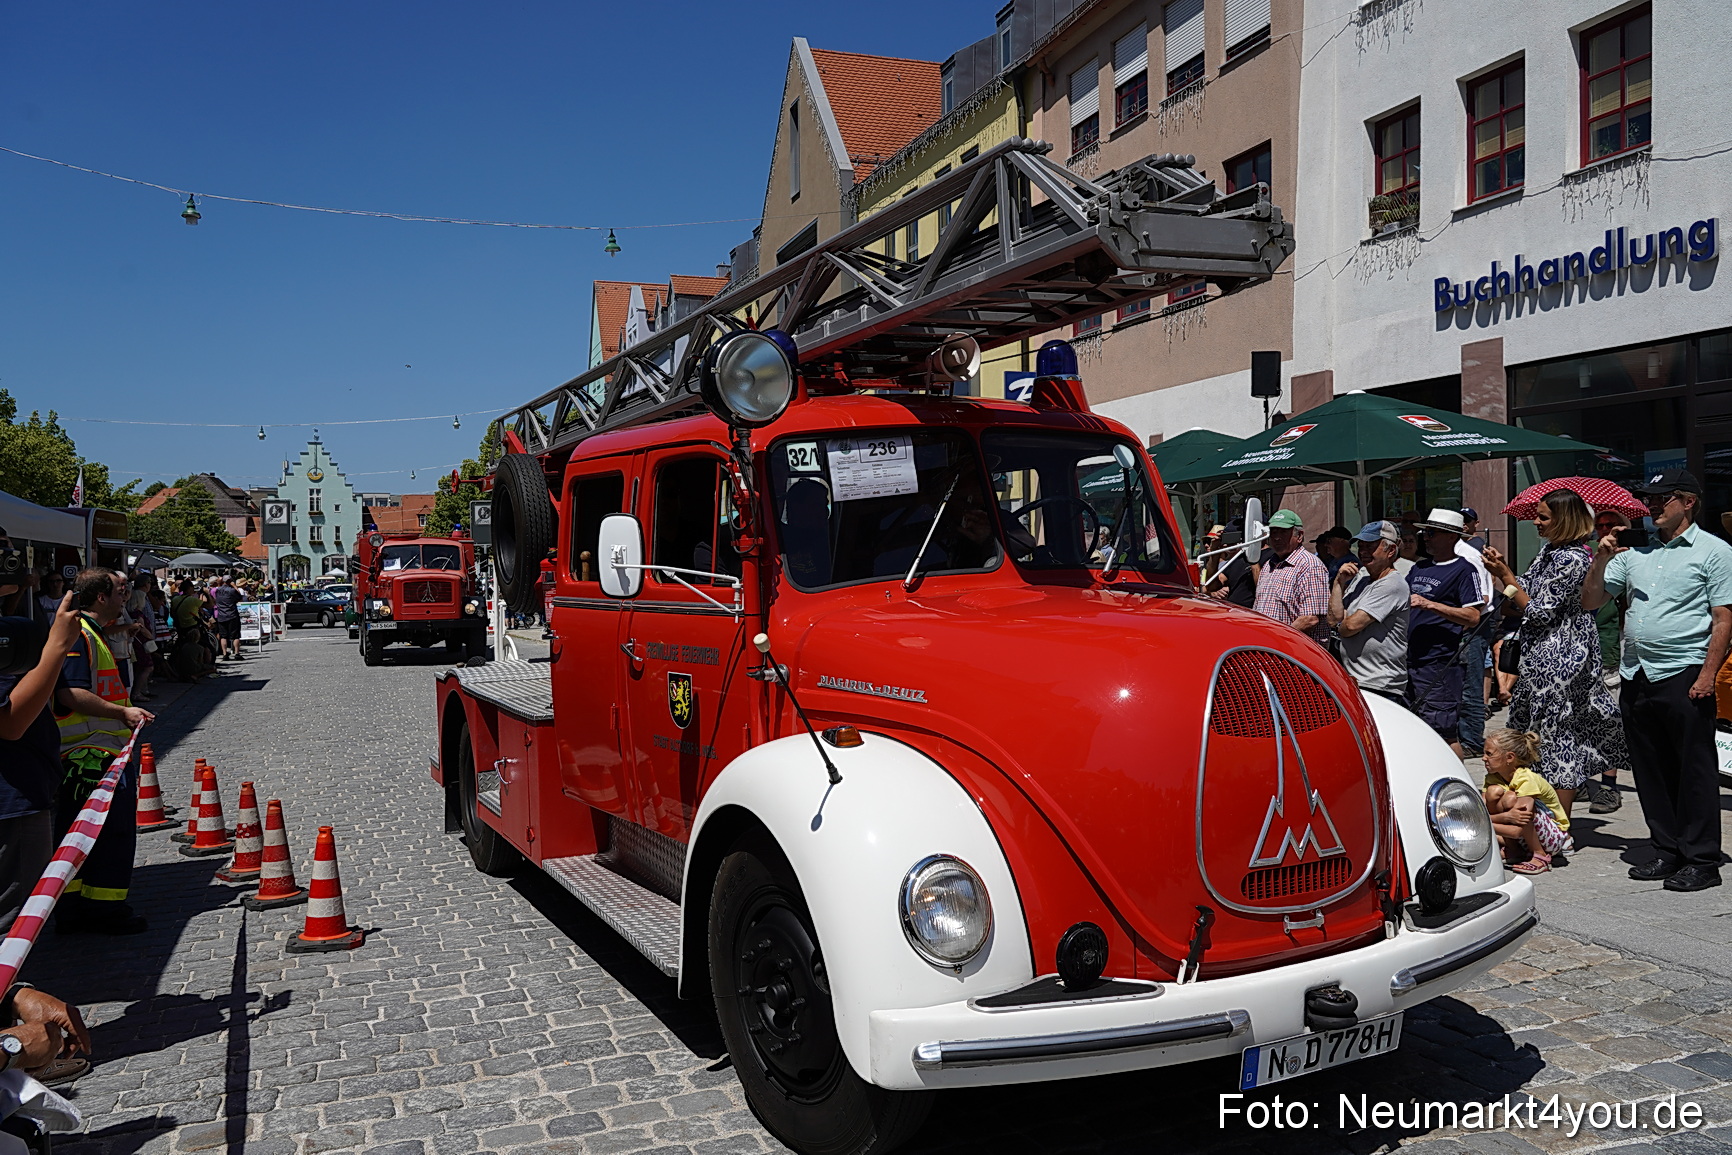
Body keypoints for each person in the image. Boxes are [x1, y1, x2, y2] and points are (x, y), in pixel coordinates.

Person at [1583, 468, 1732, 893]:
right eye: (1648, 498)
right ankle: (1666, 849)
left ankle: (1702, 859)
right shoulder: (1633, 552)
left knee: (1694, 769)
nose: (1651, 505)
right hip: (1637, 672)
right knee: (1650, 768)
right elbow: (1591, 599)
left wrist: (1708, 675)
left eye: (1662, 497)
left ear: (1688, 502)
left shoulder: (1714, 551)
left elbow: (1724, 618)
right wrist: (1602, 556)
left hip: (1685, 671)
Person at [1481, 490, 1626, 830]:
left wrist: (1505, 576)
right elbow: (1522, 592)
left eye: (1544, 517)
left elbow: (1537, 610)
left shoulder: (1574, 559)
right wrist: (1504, 576)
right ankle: (1534, 822)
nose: (1536, 522)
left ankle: (1559, 831)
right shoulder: (1549, 552)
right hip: (1538, 660)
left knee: (1557, 742)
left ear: (1564, 520)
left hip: (1562, 661)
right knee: (1531, 739)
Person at [53, 568, 152, 934]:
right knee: (108, 836)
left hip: (100, 751)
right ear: (100, 597)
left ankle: (76, 909)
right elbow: (70, 694)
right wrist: (122, 712)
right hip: (89, 755)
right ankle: (101, 911)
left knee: (84, 836)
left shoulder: (91, 632)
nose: (124, 598)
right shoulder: (80, 634)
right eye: (119, 592)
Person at [0, 534, 81, 935]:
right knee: (16, 928)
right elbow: (11, 722)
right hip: (10, 798)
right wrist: (55, 646)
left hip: (24, 789)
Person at [1406, 508, 1485, 756]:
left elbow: (1473, 616)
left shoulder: (1464, 569)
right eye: (1425, 532)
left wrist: (1431, 604)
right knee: (1415, 728)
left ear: (1451, 536)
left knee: (1443, 732)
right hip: (1410, 660)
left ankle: (1459, 788)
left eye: (1432, 533)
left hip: (1439, 662)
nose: (1426, 537)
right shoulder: (1419, 568)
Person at [1327, 521, 1409, 705]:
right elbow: (1333, 620)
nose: (1363, 551)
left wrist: (1344, 622)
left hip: (1380, 684)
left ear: (1390, 551)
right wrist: (1338, 583)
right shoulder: (1361, 576)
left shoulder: (1392, 584)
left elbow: (1349, 627)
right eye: (1361, 546)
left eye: (1371, 546)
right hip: (1355, 679)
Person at [1586, 508, 1631, 814]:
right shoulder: (1589, 557)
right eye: (1599, 526)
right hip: (1579, 651)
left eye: (1611, 526)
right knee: (1576, 719)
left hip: (1608, 650)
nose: (1604, 530)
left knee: (1608, 721)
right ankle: (1576, 778)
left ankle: (1609, 786)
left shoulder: (1632, 558)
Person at [1482, 728, 1570, 875]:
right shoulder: (1493, 777)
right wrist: (1503, 818)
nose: (1483, 758)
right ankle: (1514, 851)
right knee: (1493, 792)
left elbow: (1516, 831)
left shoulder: (1526, 778)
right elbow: (1482, 811)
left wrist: (1482, 823)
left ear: (1509, 757)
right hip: (1518, 833)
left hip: (1552, 838)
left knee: (1511, 799)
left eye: (1489, 754)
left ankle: (1541, 856)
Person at [1452, 511, 1496, 757]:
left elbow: (1482, 598)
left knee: (1471, 686)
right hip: (1458, 628)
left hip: (1471, 630)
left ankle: (1471, 740)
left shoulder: (1469, 556)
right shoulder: (1457, 555)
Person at [1252, 509, 1330, 646]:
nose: (1276, 537)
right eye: (1274, 532)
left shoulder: (1310, 566)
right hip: (1269, 648)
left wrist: (1276, 639)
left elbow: (1310, 619)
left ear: (1299, 536)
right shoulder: (1269, 564)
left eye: (1283, 532)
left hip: (1295, 651)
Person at [1203, 529, 1258, 608]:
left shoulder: (1267, 556)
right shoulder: (1232, 563)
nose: (1207, 545)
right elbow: (1212, 586)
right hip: (1232, 612)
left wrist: (1252, 550)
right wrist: (1214, 551)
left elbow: (1262, 590)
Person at [209, 575, 243, 660]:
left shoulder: (217, 591)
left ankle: (224, 654)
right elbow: (240, 598)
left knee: (223, 636)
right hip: (232, 615)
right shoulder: (231, 590)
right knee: (235, 636)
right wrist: (234, 586)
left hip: (221, 615)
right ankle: (237, 653)